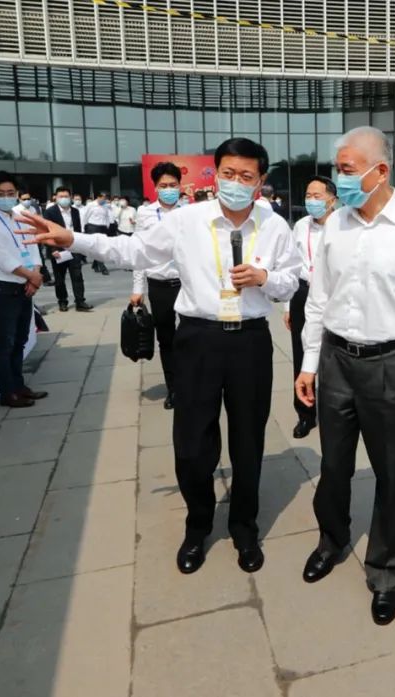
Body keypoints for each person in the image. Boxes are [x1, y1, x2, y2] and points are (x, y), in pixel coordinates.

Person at [24, 138, 299, 576]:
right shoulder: (187, 220)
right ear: (215, 175)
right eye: (228, 173)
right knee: (192, 442)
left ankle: (244, 527)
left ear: (260, 180)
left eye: (246, 176)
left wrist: (265, 277)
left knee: (248, 440)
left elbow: (291, 281)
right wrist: (74, 239)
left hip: (249, 342)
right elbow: (134, 251)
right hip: (198, 339)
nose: (235, 183)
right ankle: (198, 525)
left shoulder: (275, 226)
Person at [294, 127, 395, 626]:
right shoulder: (335, 224)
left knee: (391, 472)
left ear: (380, 171)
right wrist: (309, 363)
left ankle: (386, 571)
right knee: (333, 464)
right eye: (337, 168)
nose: (338, 179)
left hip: (391, 363)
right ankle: (331, 540)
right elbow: (319, 299)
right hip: (336, 360)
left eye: (346, 169)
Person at [0, 172, 49, 409]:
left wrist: (35, 274)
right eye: (0, 193)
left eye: (10, 193)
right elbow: (2, 258)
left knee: (20, 341)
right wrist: (32, 276)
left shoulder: (20, 217)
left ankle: (19, 386)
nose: (6, 197)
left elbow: (32, 247)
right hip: (2, 289)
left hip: (24, 287)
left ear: (17, 194)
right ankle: (7, 392)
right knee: (4, 343)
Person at [283, 175, 336, 439]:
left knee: (332, 353)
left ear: (332, 200)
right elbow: (291, 266)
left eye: (317, 196)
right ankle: (305, 414)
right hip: (302, 292)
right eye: (308, 195)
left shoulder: (342, 225)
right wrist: (287, 306)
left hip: (332, 294)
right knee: (301, 351)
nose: (311, 200)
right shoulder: (300, 226)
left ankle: (333, 411)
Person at [130, 162, 184, 410]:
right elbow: (139, 250)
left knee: (191, 336)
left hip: (186, 283)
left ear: (180, 186)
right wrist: (137, 288)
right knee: (166, 337)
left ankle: (191, 382)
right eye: (164, 185)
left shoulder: (190, 211)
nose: (169, 189)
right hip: (159, 284)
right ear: (155, 187)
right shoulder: (145, 213)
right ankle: (174, 388)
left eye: (173, 185)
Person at [43, 187, 92, 312]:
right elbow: (47, 231)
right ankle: (62, 301)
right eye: (61, 196)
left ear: (70, 197)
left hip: (73, 247)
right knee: (60, 277)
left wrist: (80, 246)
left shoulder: (75, 211)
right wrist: (53, 249)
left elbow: (78, 229)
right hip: (58, 249)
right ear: (56, 198)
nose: (64, 199)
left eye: (66, 196)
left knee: (77, 275)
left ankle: (80, 301)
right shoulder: (50, 212)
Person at [81, 191, 114, 274]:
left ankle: (95, 265)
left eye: (105, 198)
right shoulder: (91, 205)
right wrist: (83, 228)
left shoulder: (105, 206)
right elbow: (85, 216)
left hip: (102, 227)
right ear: (98, 197)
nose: (104, 200)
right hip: (93, 227)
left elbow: (107, 217)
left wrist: (107, 226)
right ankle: (103, 267)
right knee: (96, 247)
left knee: (101, 246)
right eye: (103, 198)